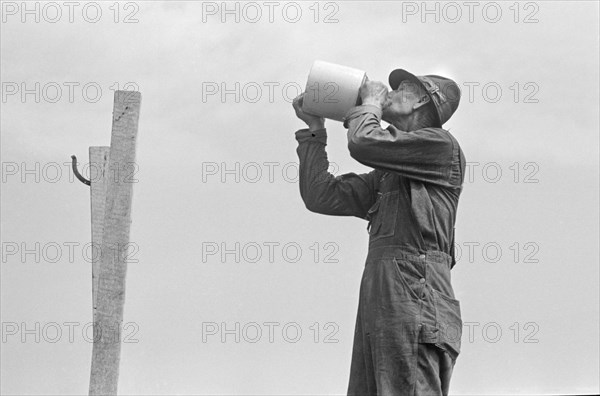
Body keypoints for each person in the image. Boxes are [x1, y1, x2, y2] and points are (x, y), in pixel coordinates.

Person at [292, 68, 466, 395]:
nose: (391, 91)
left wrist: (369, 103)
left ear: (421, 101)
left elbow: (363, 142)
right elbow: (319, 195)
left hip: (417, 290)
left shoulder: (441, 146)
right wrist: (314, 131)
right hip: (384, 295)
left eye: (403, 88)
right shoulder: (388, 175)